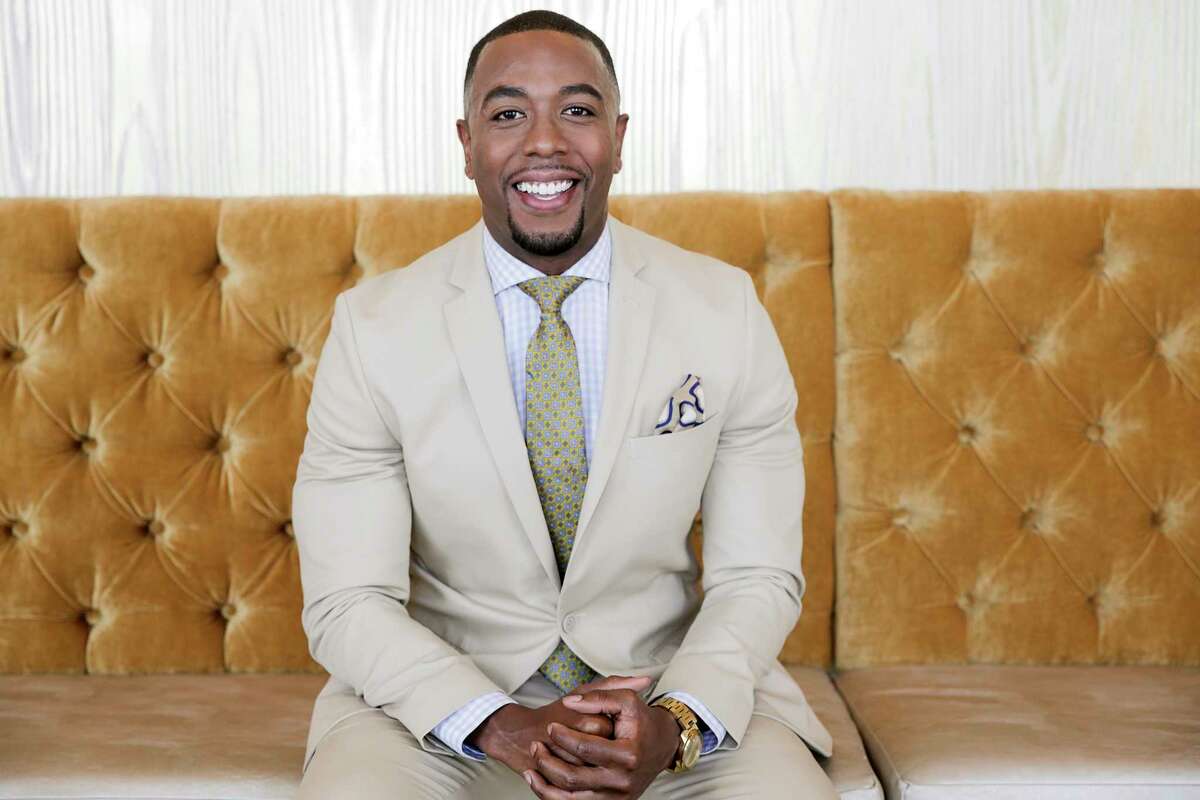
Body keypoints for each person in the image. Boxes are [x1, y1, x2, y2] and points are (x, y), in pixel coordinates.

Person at [294, 9, 837, 799]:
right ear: (468, 144)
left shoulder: (723, 309)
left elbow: (758, 574)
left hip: (670, 692)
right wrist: (496, 720)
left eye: (577, 111)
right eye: (508, 114)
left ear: (617, 138)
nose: (545, 141)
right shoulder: (374, 328)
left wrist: (677, 720)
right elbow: (348, 600)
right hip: (438, 714)